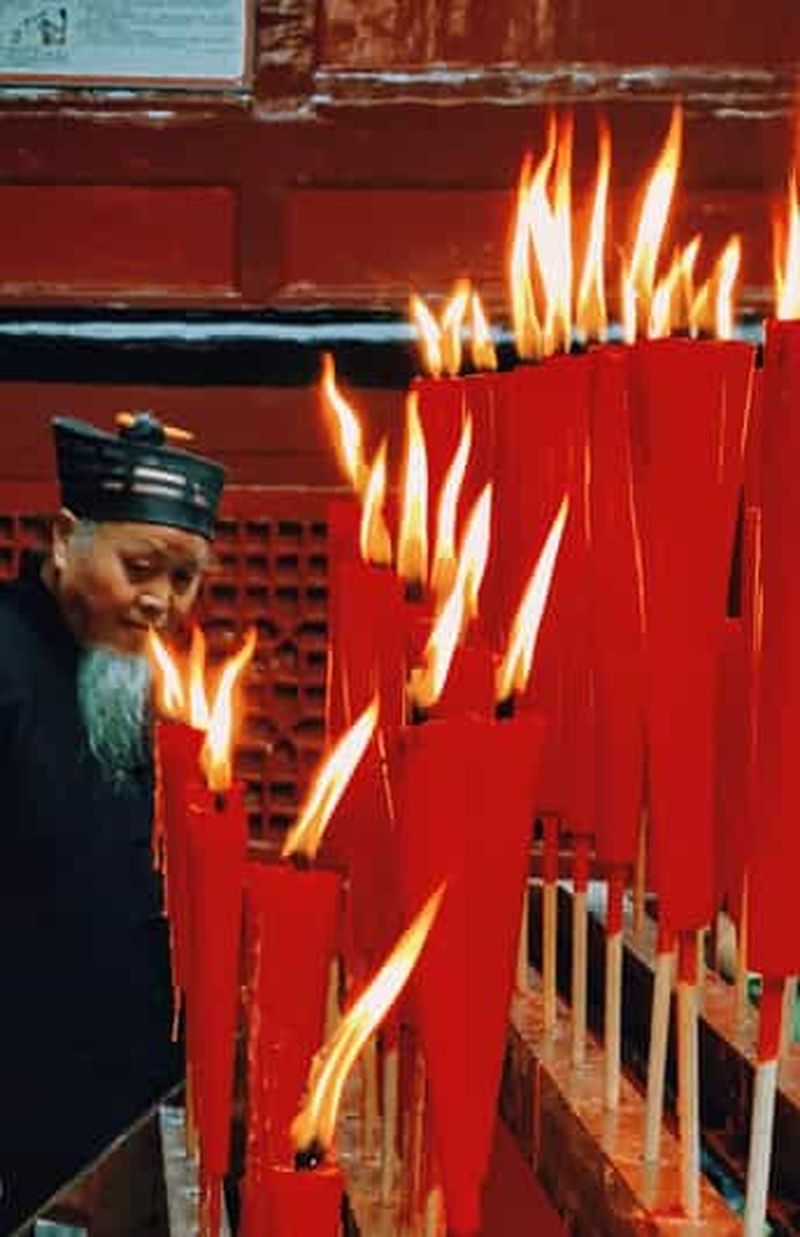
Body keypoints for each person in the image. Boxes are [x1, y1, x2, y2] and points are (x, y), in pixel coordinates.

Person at [0, 412, 225, 1233]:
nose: (160, 601)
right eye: (139, 568)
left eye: (185, 578)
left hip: (127, 1099)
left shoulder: (132, 673)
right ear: (65, 540)